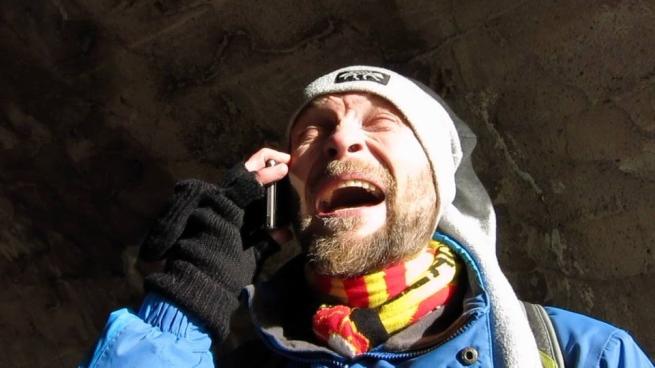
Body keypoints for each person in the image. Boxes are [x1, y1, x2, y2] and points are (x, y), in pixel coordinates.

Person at [81, 66, 653, 367]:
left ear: (437, 183)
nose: (341, 140)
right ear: (291, 186)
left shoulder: (584, 355)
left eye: (381, 123)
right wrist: (188, 295)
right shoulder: (247, 363)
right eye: (315, 129)